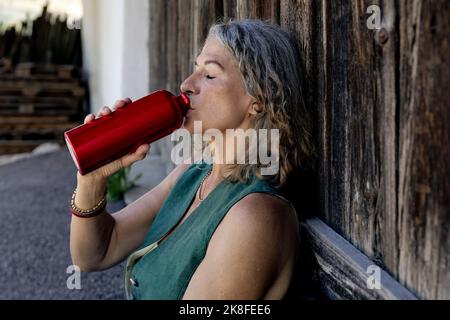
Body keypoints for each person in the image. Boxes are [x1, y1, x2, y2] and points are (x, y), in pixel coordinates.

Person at [69, 19, 315, 300]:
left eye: (209, 75)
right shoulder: (196, 171)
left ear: (258, 98)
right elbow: (95, 254)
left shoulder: (255, 216)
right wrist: (92, 179)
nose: (186, 85)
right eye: (195, 69)